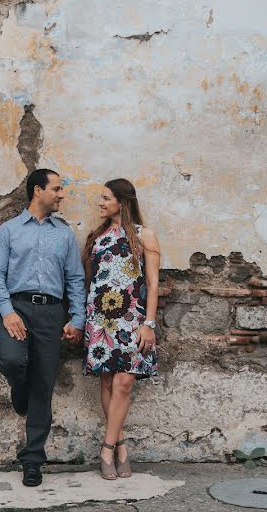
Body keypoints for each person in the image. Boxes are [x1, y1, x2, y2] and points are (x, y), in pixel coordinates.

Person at [0, 168, 86, 487]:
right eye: (56, 189)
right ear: (37, 191)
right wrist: (7, 311)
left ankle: (32, 460)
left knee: (43, 384)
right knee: (11, 360)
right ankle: (18, 388)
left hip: (51, 314)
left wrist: (77, 318)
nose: (61, 195)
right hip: (17, 308)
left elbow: (75, 280)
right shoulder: (9, 230)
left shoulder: (64, 234)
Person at [82, 178, 160, 480]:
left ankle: (106, 447)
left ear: (122, 201)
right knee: (107, 383)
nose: (100, 203)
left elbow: (152, 284)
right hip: (101, 320)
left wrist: (148, 323)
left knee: (125, 383)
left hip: (133, 320)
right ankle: (121, 445)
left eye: (105, 198)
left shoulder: (146, 236)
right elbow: (91, 283)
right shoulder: (96, 237)